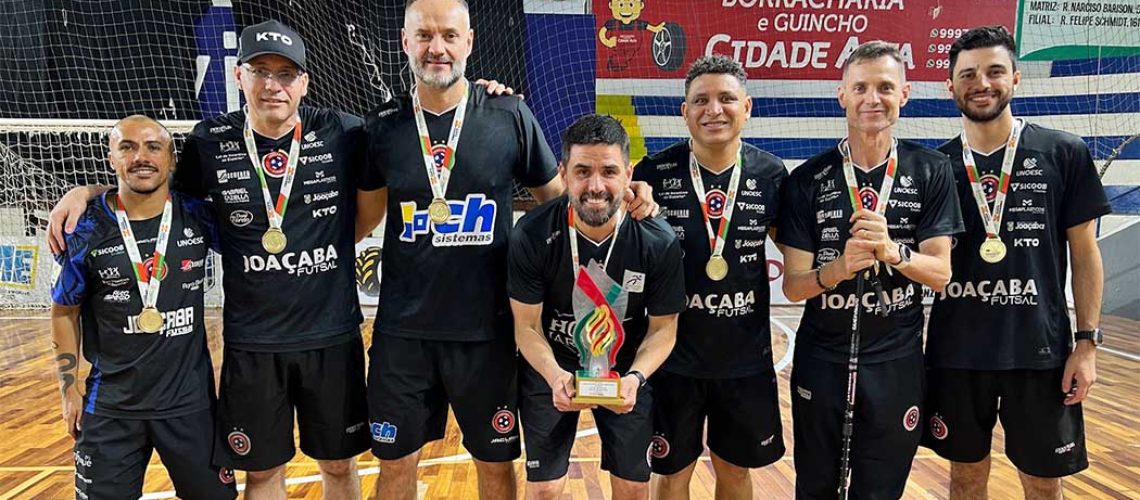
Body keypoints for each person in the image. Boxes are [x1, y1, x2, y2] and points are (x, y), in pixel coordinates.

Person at [354, 2, 657, 498]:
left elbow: (564, 203)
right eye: (425, 35)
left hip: (488, 335)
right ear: (405, 43)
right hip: (402, 337)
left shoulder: (508, 113)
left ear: (469, 42)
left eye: (449, 35)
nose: (437, 47)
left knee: (494, 467)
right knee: (393, 468)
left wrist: (628, 195)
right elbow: (362, 221)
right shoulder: (381, 128)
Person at [923, 25, 1111, 499]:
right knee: (964, 479)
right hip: (956, 354)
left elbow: (1086, 253)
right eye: (967, 74)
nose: (981, 83)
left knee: (1044, 483)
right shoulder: (932, 167)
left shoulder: (1064, 153)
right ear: (950, 85)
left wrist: (1086, 343)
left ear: (1016, 78)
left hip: (1040, 353)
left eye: (994, 71)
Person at [775, 41, 963, 499]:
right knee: (817, 487)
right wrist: (838, 267)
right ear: (842, 95)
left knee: (880, 490)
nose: (872, 98)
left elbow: (941, 273)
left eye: (885, 87)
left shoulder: (931, 169)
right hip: (823, 358)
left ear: (905, 94)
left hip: (896, 361)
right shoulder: (808, 179)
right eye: (860, 87)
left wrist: (892, 251)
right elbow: (795, 287)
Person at [50, 115, 235, 499]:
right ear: (111, 159)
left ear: (171, 159)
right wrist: (69, 390)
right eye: (127, 147)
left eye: (153, 147)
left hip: (190, 406)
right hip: (111, 410)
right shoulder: (85, 229)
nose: (141, 157)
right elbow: (63, 311)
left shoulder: (198, 217)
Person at [631, 55, 787, 500]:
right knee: (672, 473)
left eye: (726, 99)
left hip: (745, 360)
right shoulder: (653, 175)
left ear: (747, 107)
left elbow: (797, 262)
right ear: (684, 111)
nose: (713, 110)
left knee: (734, 471)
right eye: (701, 100)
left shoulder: (772, 174)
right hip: (671, 358)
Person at [508, 113, 686, 500]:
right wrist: (555, 376)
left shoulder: (657, 240)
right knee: (545, 491)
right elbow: (526, 328)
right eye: (582, 171)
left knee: (634, 490)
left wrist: (636, 378)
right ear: (563, 172)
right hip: (552, 367)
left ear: (628, 173)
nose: (595, 186)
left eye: (608, 171)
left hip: (625, 371)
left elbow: (663, 329)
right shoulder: (533, 233)